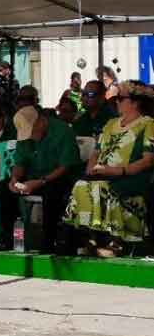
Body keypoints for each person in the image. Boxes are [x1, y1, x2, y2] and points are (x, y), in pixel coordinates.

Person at [63, 81, 154, 257]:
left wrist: (119, 171)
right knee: (81, 185)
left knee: (103, 188)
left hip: (131, 175)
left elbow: (148, 161)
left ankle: (117, 242)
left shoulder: (148, 124)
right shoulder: (111, 123)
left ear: (134, 102)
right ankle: (90, 238)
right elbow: (96, 152)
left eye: (120, 98)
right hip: (103, 173)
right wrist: (91, 168)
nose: (116, 102)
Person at [0, 106, 81, 253]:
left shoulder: (63, 131)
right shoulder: (26, 138)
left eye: (32, 131)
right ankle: (9, 239)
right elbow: (20, 162)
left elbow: (65, 166)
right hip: (33, 178)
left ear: (41, 122)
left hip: (59, 177)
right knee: (4, 188)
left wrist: (41, 181)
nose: (30, 136)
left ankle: (49, 242)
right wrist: (14, 179)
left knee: (53, 191)